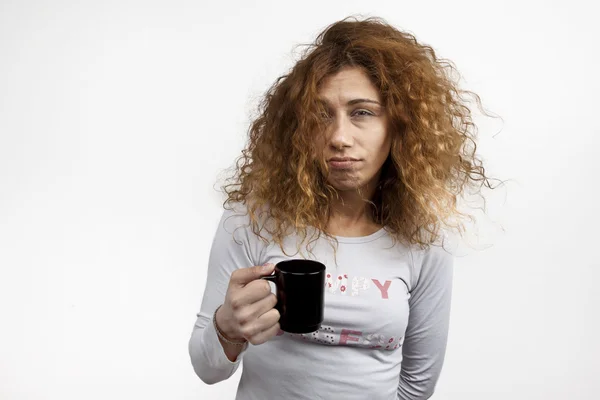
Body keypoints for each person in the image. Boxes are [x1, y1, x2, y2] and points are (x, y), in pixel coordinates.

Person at [189, 16, 495, 400]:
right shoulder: (250, 221)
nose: (338, 137)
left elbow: (417, 385)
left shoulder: (424, 239)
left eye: (362, 112)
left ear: (399, 125)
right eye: (320, 115)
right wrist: (227, 328)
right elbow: (206, 369)